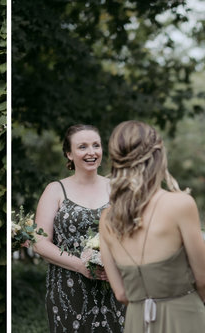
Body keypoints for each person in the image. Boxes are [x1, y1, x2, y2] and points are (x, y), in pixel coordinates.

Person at [99, 120, 205, 333]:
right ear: (158, 156)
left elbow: (121, 294)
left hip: (137, 321)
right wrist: (184, 304)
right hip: (185, 317)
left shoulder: (106, 219)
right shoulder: (180, 204)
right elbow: (204, 280)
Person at [32, 124, 124, 332]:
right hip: (68, 288)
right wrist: (80, 265)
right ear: (69, 153)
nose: (91, 152)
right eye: (82, 147)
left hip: (113, 286)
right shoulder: (55, 190)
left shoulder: (117, 188)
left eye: (96, 145)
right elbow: (39, 242)